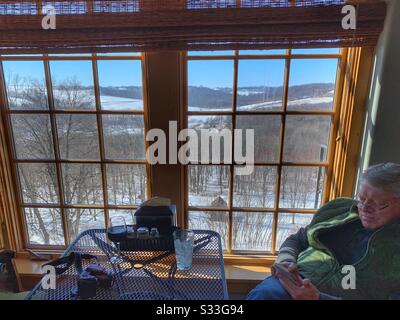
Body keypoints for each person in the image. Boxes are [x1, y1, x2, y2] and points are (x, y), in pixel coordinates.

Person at [246, 163, 400, 300]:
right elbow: (297, 239)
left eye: (376, 204)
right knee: (265, 295)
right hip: (289, 284)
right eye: (361, 199)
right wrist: (286, 262)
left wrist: (319, 298)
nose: (364, 208)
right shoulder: (339, 211)